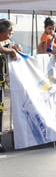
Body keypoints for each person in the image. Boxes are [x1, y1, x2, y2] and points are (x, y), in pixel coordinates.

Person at [0, 18, 22, 152]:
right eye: (11, 32)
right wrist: (11, 51)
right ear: (4, 32)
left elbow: (9, 46)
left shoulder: (5, 42)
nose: (11, 34)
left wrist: (15, 48)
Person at [37, 17, 56, 82]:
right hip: (53, 51)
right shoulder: (45, 35)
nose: (51, 31)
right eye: (49, 29)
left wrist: (55, 37)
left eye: (53, 29)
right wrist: (46, 53)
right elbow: (44, 44)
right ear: (45, 28)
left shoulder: (51, 35)